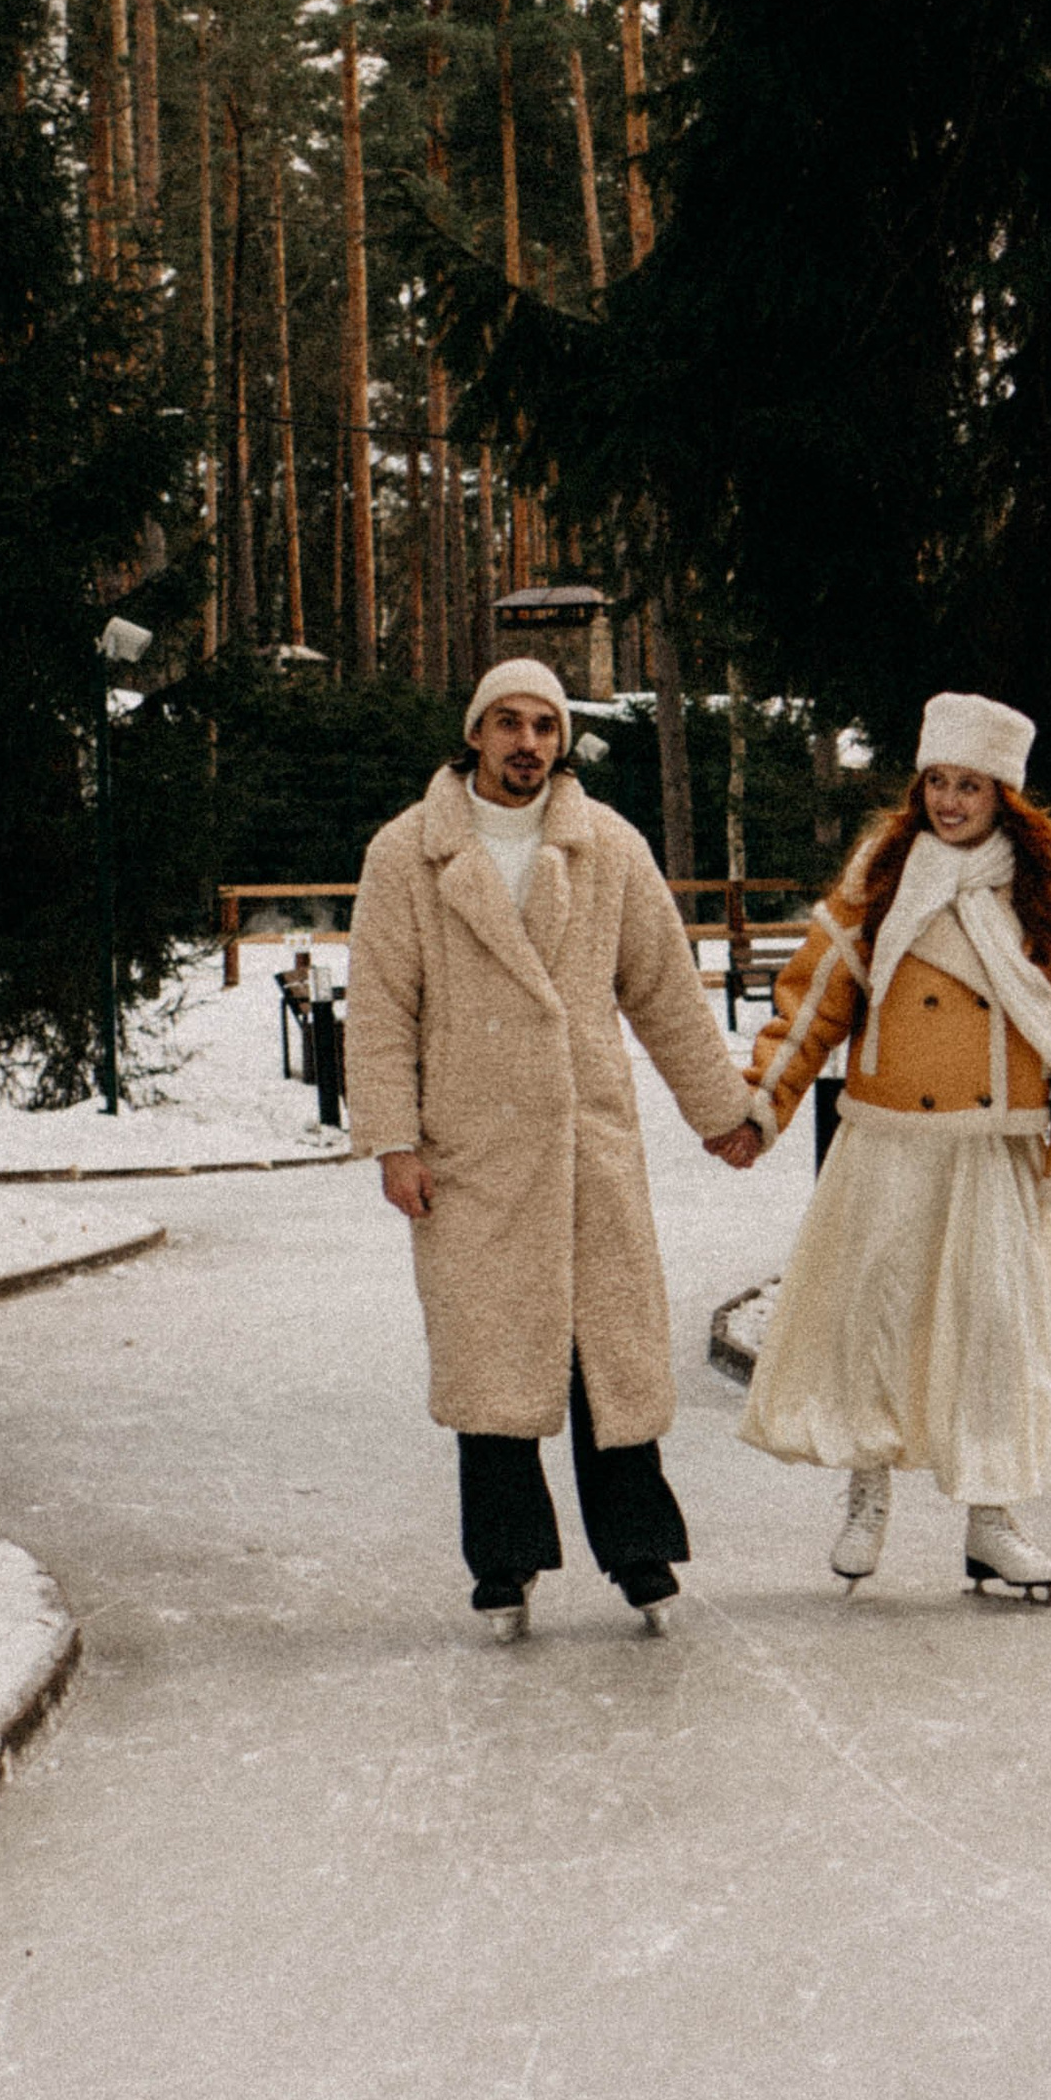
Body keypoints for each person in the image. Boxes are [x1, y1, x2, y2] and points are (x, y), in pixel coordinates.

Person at [347, 659, 762, 1640]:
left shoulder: (605, 846)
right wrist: (393, 1144)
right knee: (491, 1360)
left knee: (606, 1358)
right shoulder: (409, 853)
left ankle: (640, 1553)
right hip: (471, 1154)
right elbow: (379, 1011)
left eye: (544, 724)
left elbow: (663, 988)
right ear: (475, 734)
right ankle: (503, 1565)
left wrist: (720, 1111)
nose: (527, 742)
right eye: (507, 723)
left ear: (560, 739)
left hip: (586, 1144)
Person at [735, 691, 1051, 1601]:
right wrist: (762, 1102)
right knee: (875, 1317)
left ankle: (993, 1522)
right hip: (889, 1137)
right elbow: (816, 991)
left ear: (1004, 795)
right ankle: (866, 1499)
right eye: (937, 781)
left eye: (971, 786)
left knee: (994, 1330)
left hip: (994, 1146)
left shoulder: (1045, 880)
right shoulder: (885, 867)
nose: (950, 802)